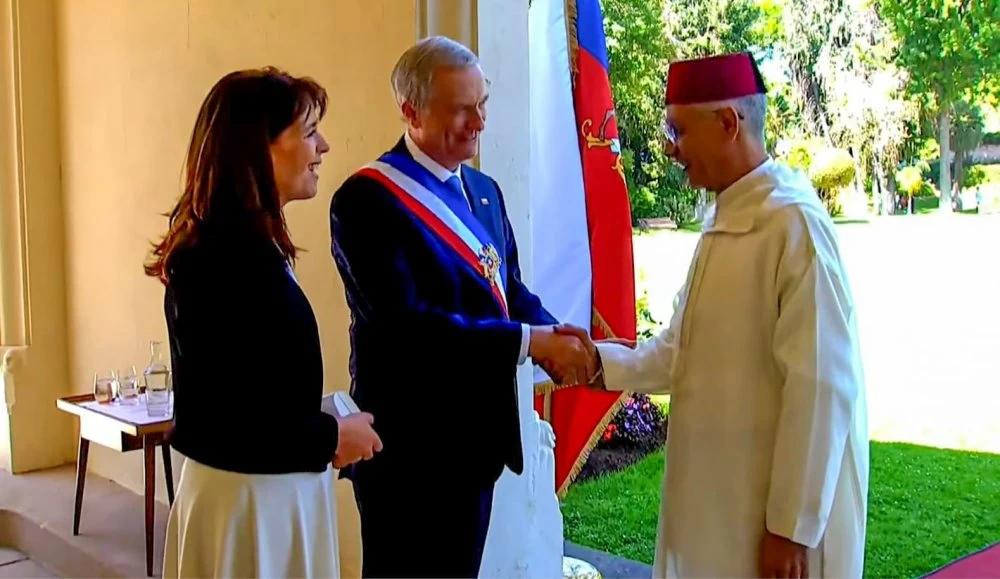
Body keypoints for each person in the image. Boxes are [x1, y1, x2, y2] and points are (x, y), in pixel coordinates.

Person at [563, 52, 870, 578]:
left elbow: (821, 387)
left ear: (729, 122)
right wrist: (594, 362)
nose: (668, 147)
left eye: (678, 130)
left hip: (771, 523)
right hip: (718, 503)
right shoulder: (729, 220)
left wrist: (791, 529)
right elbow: (679, 354)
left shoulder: (793, 226)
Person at [328, 36, 592, 578]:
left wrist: (553, 332)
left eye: (483, 102)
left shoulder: (485, 192)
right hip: (408, 454)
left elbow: (507, 291)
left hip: (474, 449)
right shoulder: (366, 201)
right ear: (411, 111)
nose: (479, 121)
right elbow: (409, 327)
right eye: (461, 108)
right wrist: (528, 342)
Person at [145, 67, 383, 578]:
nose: (323, 145)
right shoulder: (214, 257)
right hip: (245, 507)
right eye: (307, 131)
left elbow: (250, 386)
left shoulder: (250, 244)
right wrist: (330, 437)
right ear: (258, 148)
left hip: (270, 495)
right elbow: (219, 421)